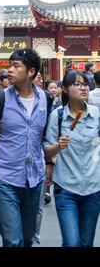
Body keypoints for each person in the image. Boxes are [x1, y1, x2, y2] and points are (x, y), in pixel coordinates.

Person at [0, 48, 48, 247]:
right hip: (4, 177)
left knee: (28, 239)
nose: (9, 70)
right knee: (12, 240)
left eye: (15, 66)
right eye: (9, 65)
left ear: (31, 72)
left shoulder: (46, 99)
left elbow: (45, 138)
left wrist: (50, 163)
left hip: (35, 178)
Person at [43, 70, 100, 247]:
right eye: (77, 84)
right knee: (72, 242)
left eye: (85, 84)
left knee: (86, 242)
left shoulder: (97, 114)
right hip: (66, 187)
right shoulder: (58, 116)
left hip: (93, 187)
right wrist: (58, 146)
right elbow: (47, 150)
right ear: (65, 89)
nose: (83, 88)